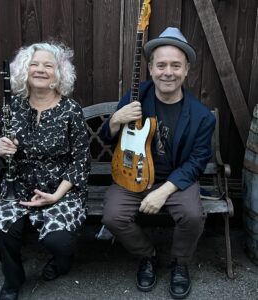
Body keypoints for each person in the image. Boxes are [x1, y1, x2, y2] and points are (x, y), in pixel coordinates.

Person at [100, 27, 216, 299]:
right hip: (133, 175)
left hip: (175, 179)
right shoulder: (136, 96)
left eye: (176, 65)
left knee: (192, 215)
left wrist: (164, 191)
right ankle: (147, 255)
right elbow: (107, 137)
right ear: (150, 69)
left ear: (186, 70)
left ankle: (180, 263)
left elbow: (197, 162)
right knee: (113, 217)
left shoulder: (201, 117)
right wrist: (116, 119)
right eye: (161, 65)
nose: (168, 72)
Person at [0, 42, 90, 300]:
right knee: (3, 230)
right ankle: (13, 281)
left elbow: (81, 160)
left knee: (59, 241)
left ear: (59, 73)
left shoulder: (71, 111)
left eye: (48, 65)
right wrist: (3, 151)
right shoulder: (12, 106)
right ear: (25, 70)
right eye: (34, 64)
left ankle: (62, 261)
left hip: (62, 190)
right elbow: (6, 158)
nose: (40, 70)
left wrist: (57, 195)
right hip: (20, 186)